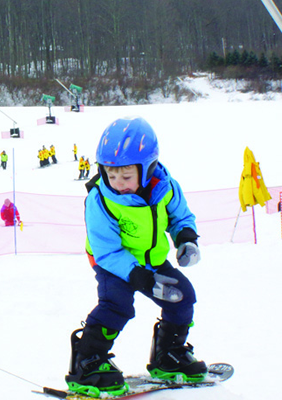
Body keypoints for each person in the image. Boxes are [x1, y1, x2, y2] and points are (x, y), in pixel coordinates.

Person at [66, 117, 205, 397]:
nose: (117, 183)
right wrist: (138, 275)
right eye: (110, 174)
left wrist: (186, 239)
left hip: (151, 260)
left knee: (182, 297)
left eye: (126, 176)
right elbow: (106, 250)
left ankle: (169, 354)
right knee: (117, 304)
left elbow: (180, 217)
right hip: (112, 263)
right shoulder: (101, 200)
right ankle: (88, 361)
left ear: (148, 168)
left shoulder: (165, 187)